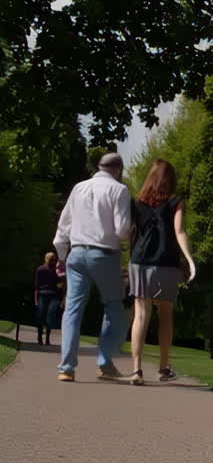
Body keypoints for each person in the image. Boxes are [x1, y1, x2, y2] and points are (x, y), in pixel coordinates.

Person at [52, 152, 133, 382]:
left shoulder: (79, 188)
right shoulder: (119, 190)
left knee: (73, 309)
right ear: (118, 169)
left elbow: (63, 225)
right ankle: (105, 363)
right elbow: (121, 229)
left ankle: (66, 367)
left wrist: (61, 254)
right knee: (114, 307)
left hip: (76, 253)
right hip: (104, 254)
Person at [127, 159, 197, 385]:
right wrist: (189, 259)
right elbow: (179, 231)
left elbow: (126, 231)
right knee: (165, 315)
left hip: (139, 262)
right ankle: (163, 368)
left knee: (140, 314)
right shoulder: (175, 202)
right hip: (165, 264)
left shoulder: (137, 204)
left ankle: (136, 370)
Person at [33, 252, 63, 345]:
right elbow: (37, 286)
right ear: (47, 259)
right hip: (43, 294)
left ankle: (47, 337)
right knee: (41, 315)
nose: (53, 261)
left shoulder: (56, 271)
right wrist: (36, 299)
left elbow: (60, 284)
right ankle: (39, 336)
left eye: (54, 259)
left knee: (50, 315)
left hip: (53, 295)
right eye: (51, 259)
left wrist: (61, 289)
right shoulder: (40, 269)